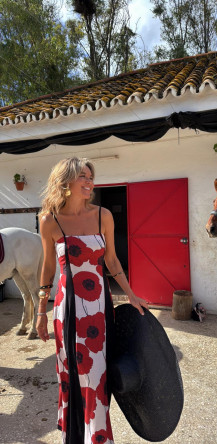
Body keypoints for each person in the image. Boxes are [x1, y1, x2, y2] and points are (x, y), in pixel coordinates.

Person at [36, 157, 148, 444]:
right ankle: (74, 435)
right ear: (66, 181)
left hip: (99, 308)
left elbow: (111, 260)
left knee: (97, 376)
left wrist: (131, 295)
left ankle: (97, 436)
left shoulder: (104, 216)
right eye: (83, 177)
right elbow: (48, 268)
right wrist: (40, 311)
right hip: (67, 310)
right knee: (72, 374)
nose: (90, 182)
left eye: (91, 177)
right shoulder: (49, 220)